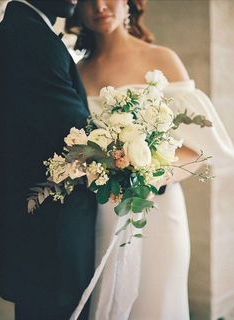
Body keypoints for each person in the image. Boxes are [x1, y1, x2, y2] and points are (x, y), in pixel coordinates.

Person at [65, 0, 234, 319]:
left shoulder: (161, 59)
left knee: (158, 302)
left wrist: (147, 173)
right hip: (98, 214)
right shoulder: (75, 71)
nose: (99, 6)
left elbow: (196, 150)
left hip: (157, 212)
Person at [0, 1, 97, 320]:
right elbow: (78, 135)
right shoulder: (30, 38)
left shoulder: (26, 30)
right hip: (50, 240)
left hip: (41, 233)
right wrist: (144, 164)